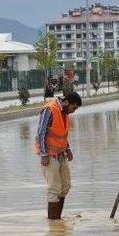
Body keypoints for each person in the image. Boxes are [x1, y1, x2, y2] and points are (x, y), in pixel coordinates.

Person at [34, 92, 82, 220]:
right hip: (49, 154)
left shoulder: (64, 113)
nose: (73, 111)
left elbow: (61, 134)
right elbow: (42, 133)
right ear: (66, 102)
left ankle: (58, 220)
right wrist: (44, 155)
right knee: (54, 188)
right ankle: (54, 222)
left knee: (65, 185)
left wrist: (68, 149)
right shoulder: (50, 109)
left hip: (61, 153)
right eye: (73, 108)